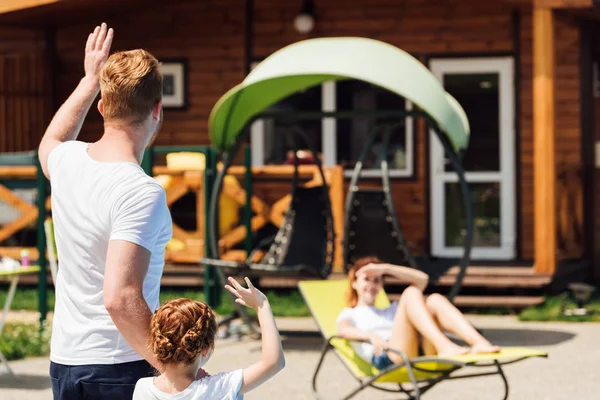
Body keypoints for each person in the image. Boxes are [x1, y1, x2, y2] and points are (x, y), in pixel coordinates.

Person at [38, 23, 172, 399]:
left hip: (65, 362)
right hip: (121, 365)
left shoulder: (67, 161)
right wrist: (172, 365)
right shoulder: (140, 191)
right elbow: (120, 297)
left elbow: (52, 140)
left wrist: (88, 79)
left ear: (101, 106)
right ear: (157, 110)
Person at [133, 277, 285, 399]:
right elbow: (273, 362)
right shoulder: (220, 387)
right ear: (206, 349)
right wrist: (262, 306)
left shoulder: (142, 388)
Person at [337, 256, 500, 370]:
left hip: (416, 349)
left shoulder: (391, 310)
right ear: (354, 283)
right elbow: (343, 330)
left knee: (434, 299)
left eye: (377, 280)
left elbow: (422, 279)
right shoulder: (351, 313)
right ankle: (445, 346)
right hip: (389, 357)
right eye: (367, 280)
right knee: (411, 293)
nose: (372, 285)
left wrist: (385, 268)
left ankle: (479, 342)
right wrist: (371, 336)